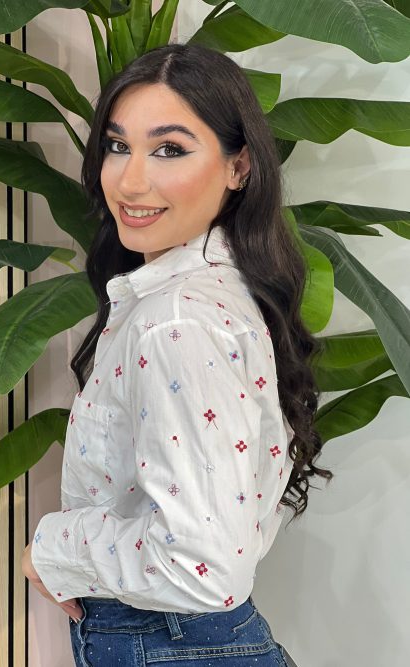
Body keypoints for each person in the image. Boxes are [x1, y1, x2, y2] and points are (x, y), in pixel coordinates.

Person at [22, 43, 332, 666]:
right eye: (117, 146)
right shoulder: (214, 292)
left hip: (165, 643)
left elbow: (203, 568)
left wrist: (54, 550)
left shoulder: (177, 319)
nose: (131, 181)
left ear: (239, 166)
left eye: (169, 149)